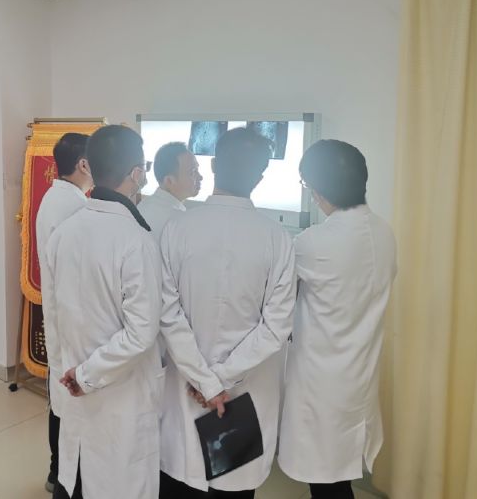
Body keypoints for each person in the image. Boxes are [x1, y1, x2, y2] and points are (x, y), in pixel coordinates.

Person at [158, 127, 296, 498]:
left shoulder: (176, 229)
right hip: (239, 398)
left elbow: (167, 314)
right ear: (260, 177)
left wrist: (206, 381)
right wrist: (220, 381)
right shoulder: (278, 238)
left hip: (188, 390)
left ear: (214, 165)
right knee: (232, 488)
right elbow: (276, 327)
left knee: (179, 482)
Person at [45, 125, 163, 499]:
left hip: (74, 384)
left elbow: (53, 315)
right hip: (115, 394)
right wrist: (86, 375)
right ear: (137, 173)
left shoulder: (65, 233)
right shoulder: (136, 240)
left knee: (79, 479)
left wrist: (68, 375)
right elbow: (141, 333)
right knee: (116, 481)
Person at [278, 140, 397, 499]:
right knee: (338, 474)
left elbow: (277, 296)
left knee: (327, 481)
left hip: (322, 381)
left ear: (318, 190)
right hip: (360, 372)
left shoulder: (313, 242)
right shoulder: (384, 231)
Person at [37, 133, 92, 496]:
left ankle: (57, 471)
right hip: (71, 319)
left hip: (61, 315)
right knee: (67, 401)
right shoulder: (74, 207)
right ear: (84, 164)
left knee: (59, 398)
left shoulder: (55, 197)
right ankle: (62, 475)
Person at [138, 142, 202, 243]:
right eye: (192, 172)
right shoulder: (178, 220)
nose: (200, 177)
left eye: (197, 170)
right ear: (169, 181)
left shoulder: (143, 205)